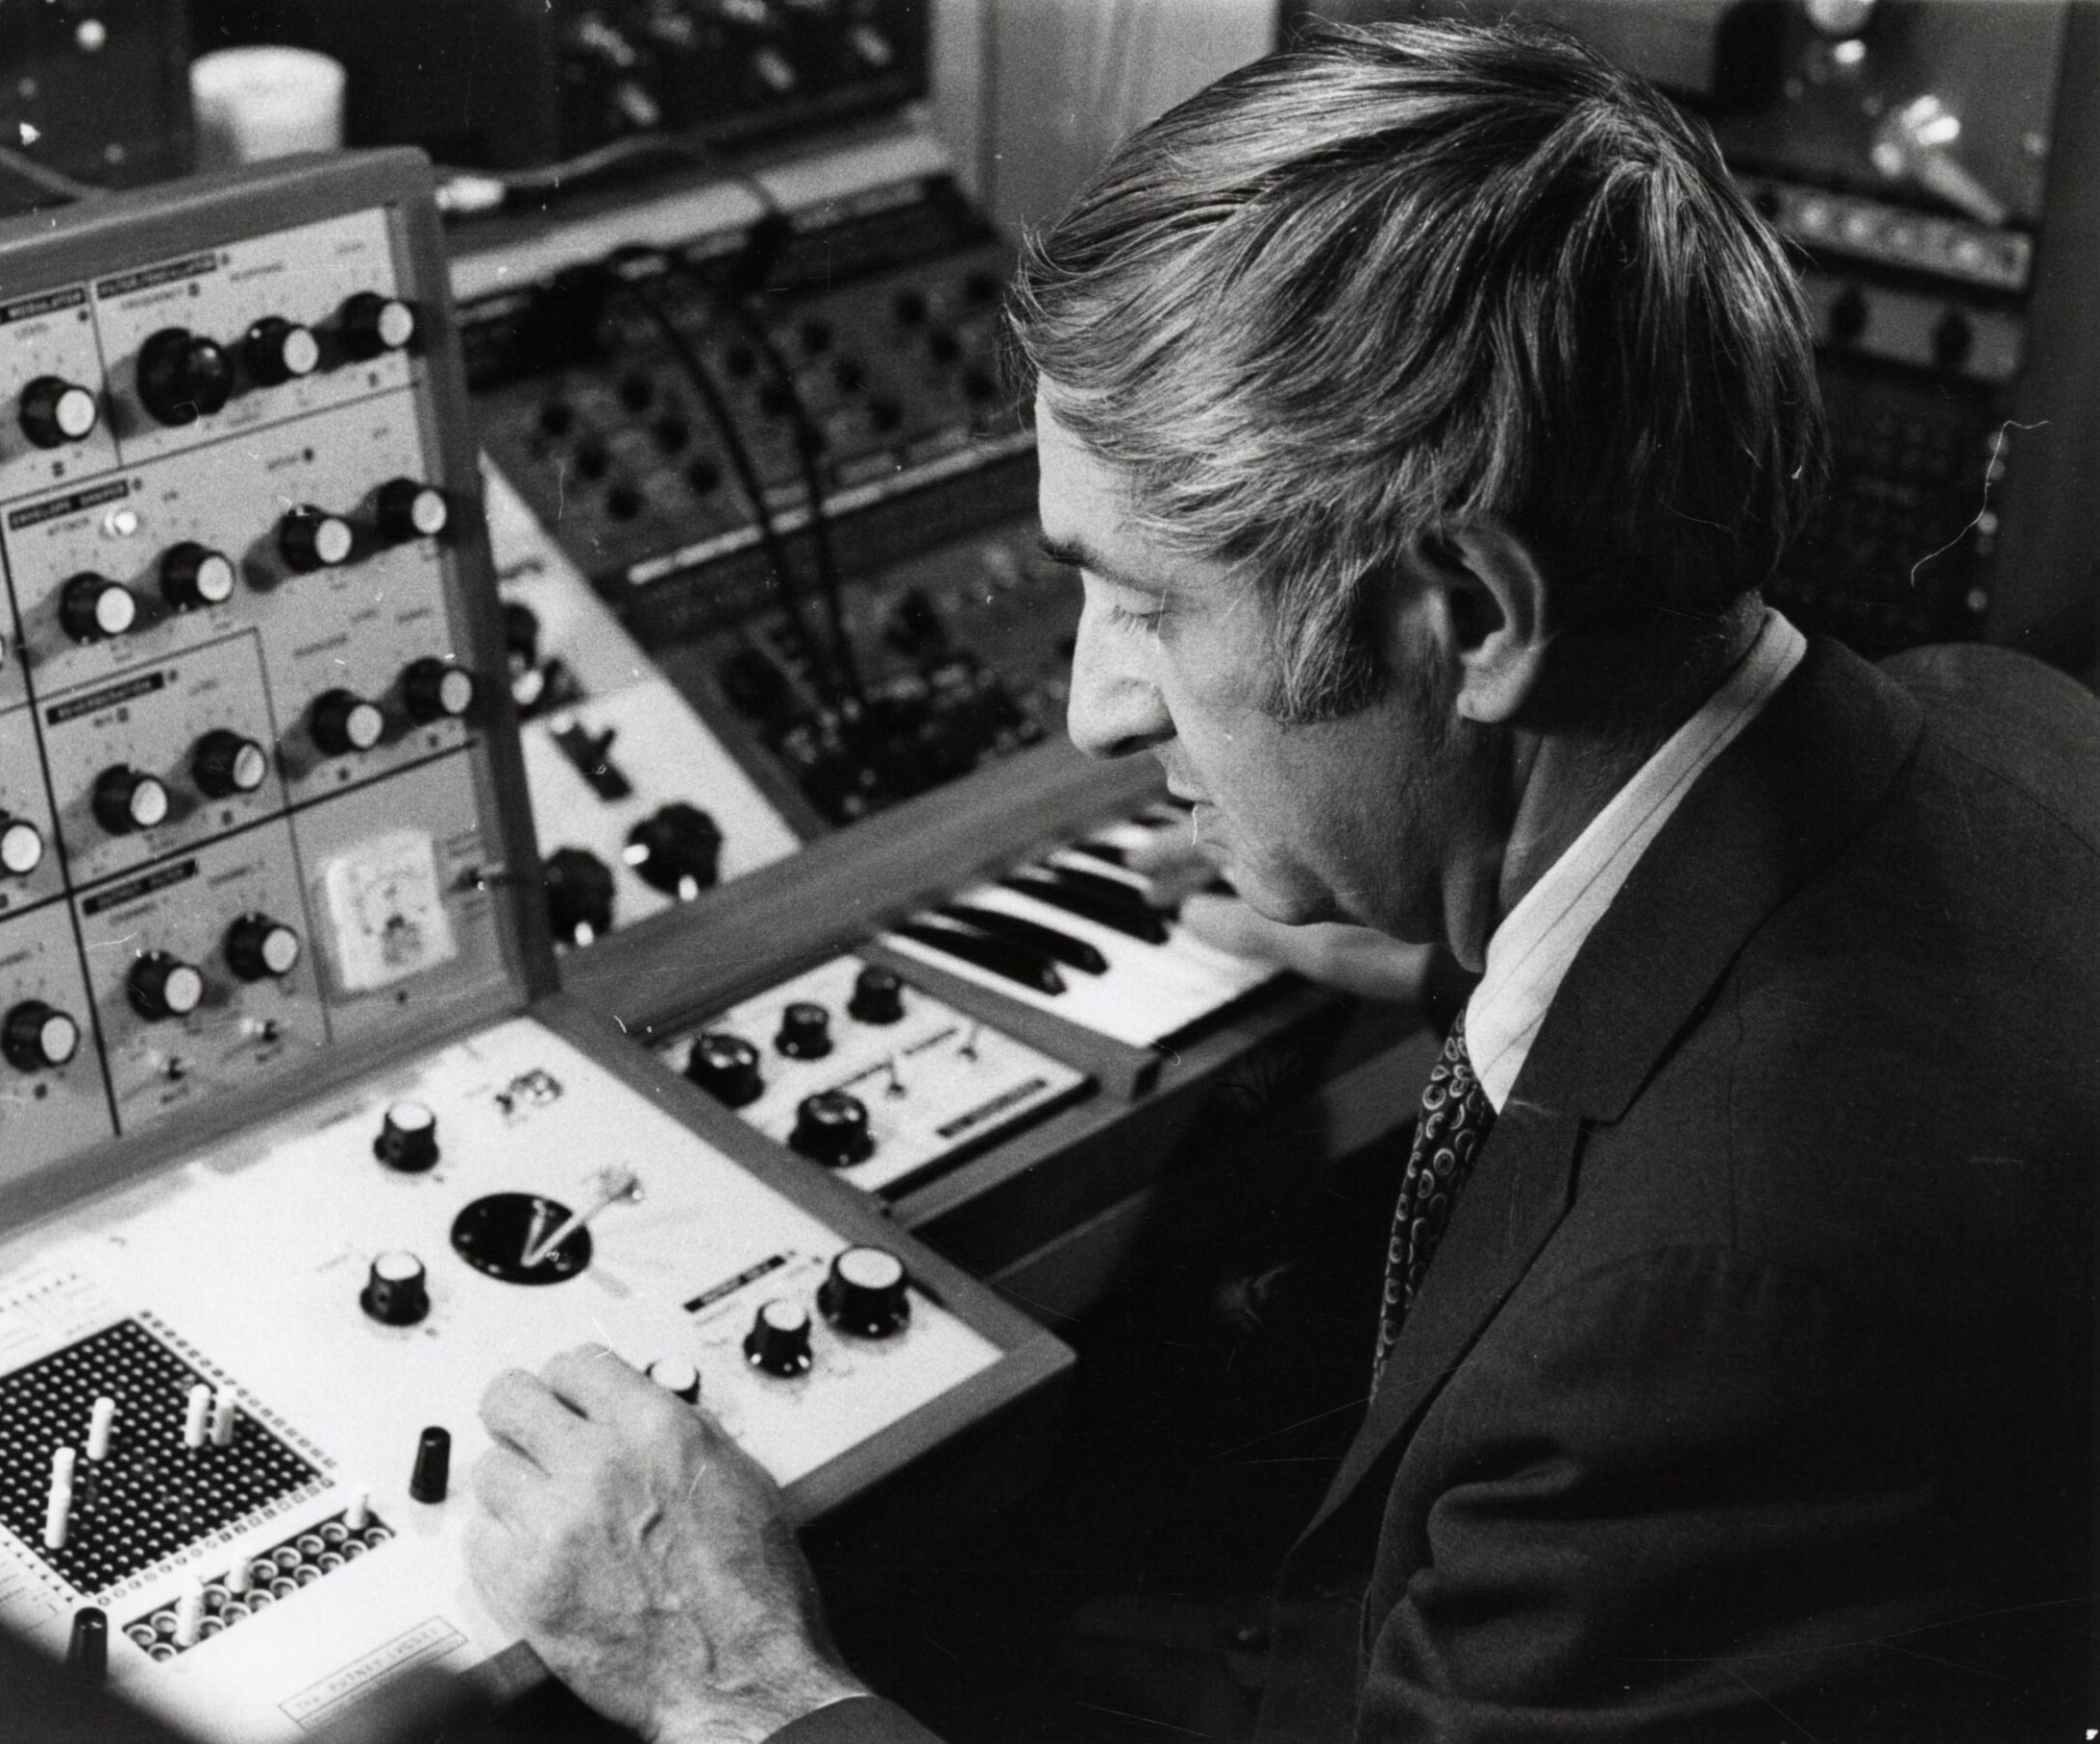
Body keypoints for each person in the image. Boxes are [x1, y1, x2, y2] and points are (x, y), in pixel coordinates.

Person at [461, 18, 2098, 1744]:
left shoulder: (1699, 1325)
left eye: (1149, 607)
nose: (1093, 712)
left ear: (1470, 619)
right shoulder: (2005, 724)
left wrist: (736, 1687)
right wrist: (1467, 960)